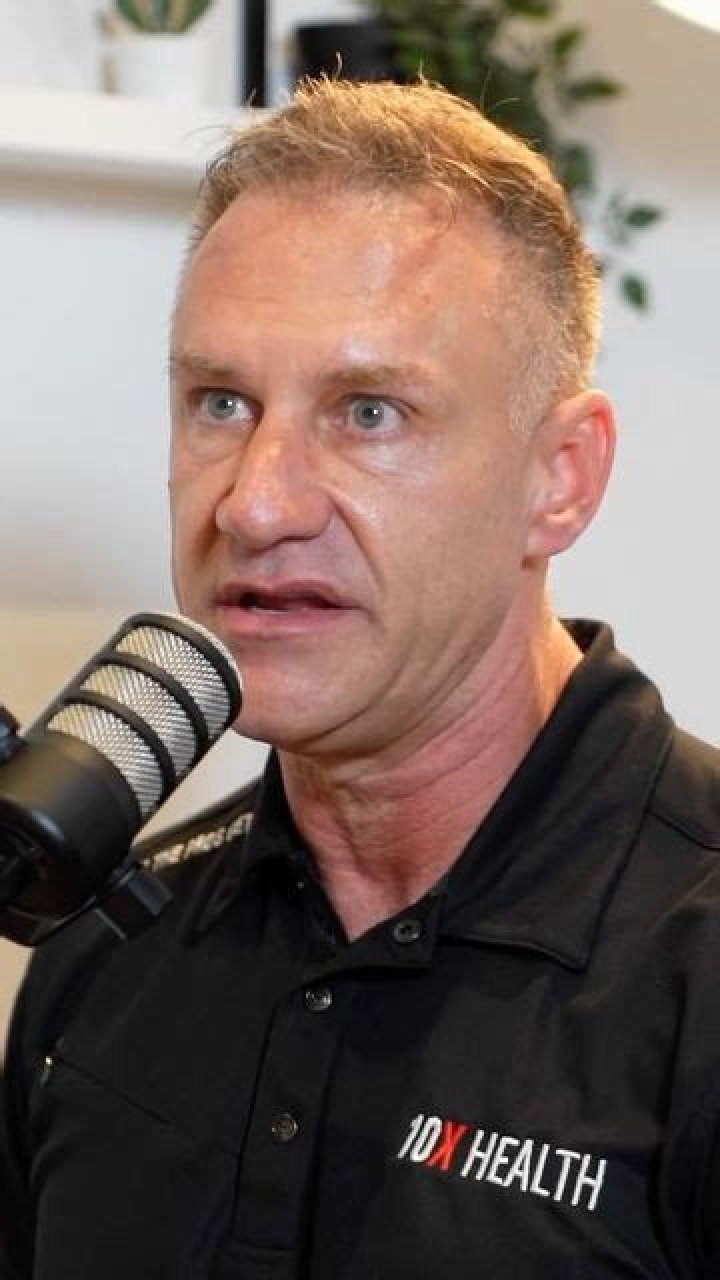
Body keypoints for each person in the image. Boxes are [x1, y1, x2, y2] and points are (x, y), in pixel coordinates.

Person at [2, 77, 719, 1278]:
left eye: (369, 412)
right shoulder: (102, 952)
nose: (255, 502)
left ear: (562, 476)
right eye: (221, 402)